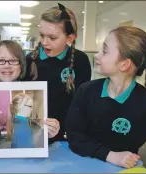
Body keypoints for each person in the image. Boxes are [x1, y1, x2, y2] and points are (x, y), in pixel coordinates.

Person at [65, 26, 146, 169]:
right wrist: (109, 155)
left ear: (124, 64)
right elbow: (74, 136)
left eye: (104, 51)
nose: (97, 55)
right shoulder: (86, 91)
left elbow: (127, 150)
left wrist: (106, 154)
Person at [0, 40, 60, 143]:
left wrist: (51, 133)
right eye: (1, 60)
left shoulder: (34, 91)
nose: (7, 65)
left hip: (26, 154)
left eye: (13, 60)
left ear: (21, 65)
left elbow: (45, 133)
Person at [24, 3, 92, 143]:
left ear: (70, 38)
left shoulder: (81, 61)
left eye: (52, 38)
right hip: (34, 132)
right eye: (42, 36)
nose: (44, 42)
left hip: (67, 135)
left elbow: (81, 103)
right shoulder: (29, 60)